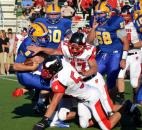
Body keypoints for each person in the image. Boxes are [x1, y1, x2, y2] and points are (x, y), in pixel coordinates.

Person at [28, 32, 113, 116]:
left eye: (78, 47)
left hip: (92, 79)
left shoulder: (89, 50)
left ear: (83, 46)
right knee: (80, 110)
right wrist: (41, 49)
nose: (75, 50)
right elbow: (54, 51)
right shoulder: (65, 47)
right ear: (69, 44)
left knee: (107, 108)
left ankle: (121, 108)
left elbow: (94, 67)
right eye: (73, 47)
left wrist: (86, 73)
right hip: (77, 81)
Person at [32, 56, 121, 130]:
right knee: (83, 125)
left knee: (106, 127)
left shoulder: (61, 80)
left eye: (48, 70)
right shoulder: (62, 63)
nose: (45, 71)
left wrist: (44, 120)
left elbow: (55, 102)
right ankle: (98, 116)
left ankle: (122, 111)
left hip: (92, 98)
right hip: (81, 98)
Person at [87, 1, 129, 94]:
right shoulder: (94, 21)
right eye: (97, 14)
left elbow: (125, 42)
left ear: (108, 13)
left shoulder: (116, 21)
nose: (98, 16)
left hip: (116, 54)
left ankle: (112, 101)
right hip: (102, 53)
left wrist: (124, 59)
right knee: (93, 77)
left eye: (101, 13)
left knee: (111, 81)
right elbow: (89, 41)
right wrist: (93, 28)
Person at [116, 5, 142, 104]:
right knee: (120, 75)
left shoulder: (137, 25)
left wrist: (131, 44)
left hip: (135, 55)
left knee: (134, 83)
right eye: (123, 15)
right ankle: (122, 100)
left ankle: (136, 97)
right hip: (124, 54)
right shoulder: (119, 25)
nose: (124, 17)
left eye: (126, 15)